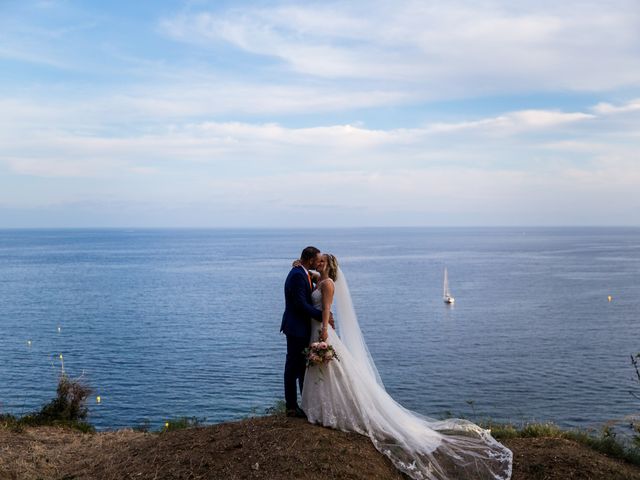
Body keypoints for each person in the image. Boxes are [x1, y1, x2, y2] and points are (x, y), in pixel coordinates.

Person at [301, 254, 513, 480]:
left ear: (330, 265)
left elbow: (325, 308)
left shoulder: (328, 284)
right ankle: (321, 406)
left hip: (322, 330)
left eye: (323, 261)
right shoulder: (319, 279)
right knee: (328, 370)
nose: (319, 262)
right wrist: (303, 268)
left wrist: (324, 329)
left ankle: (329, 410)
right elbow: (314, 278)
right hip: (317, 329)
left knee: (333, 370)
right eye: (318, 260)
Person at [280, 246, 327, 418]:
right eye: (317, 259)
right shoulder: (298, 275)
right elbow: (300, 304)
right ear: (310, 260)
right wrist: (323, 316)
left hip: (300, 327)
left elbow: (320, 279)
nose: (319, 262)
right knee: (292, 367)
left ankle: (304, 404)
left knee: (301, 368)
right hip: (296, 328)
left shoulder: (303, 272)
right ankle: (291, 407)